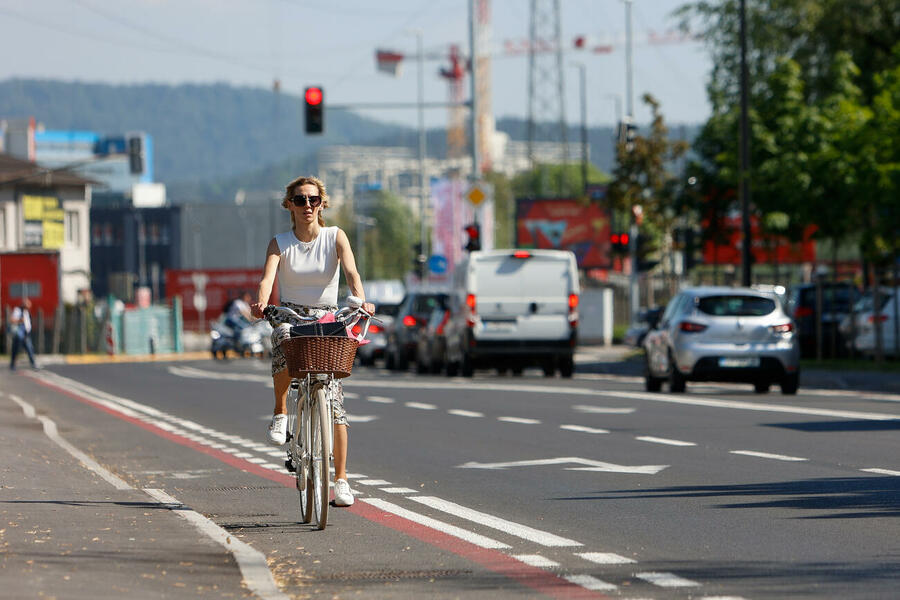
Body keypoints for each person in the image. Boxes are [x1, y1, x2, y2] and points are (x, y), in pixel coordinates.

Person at [250, 175, 374, 508]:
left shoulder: (336, 237)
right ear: (289, 204)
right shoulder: (280, 242)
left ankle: (342, 480)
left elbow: (352, 274)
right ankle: (279, 411)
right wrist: (261, 304)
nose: (308, 206)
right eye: (301, 200)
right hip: (291, 314)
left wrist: (361, 299)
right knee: (282, 337)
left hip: (328, 318)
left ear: (322, 204)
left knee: (335, 404)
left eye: (314, 200)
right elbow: (267, 280)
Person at [9, 298, 37, 371]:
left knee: (30, 349)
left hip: (26, 334)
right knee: (16, 350)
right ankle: (12, 365)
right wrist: (20, 320)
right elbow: (12, 320)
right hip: (19, 334)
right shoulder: (18, 310)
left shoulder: (26, 312)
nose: (29, 306)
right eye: (27, 304)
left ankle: (33, 364)